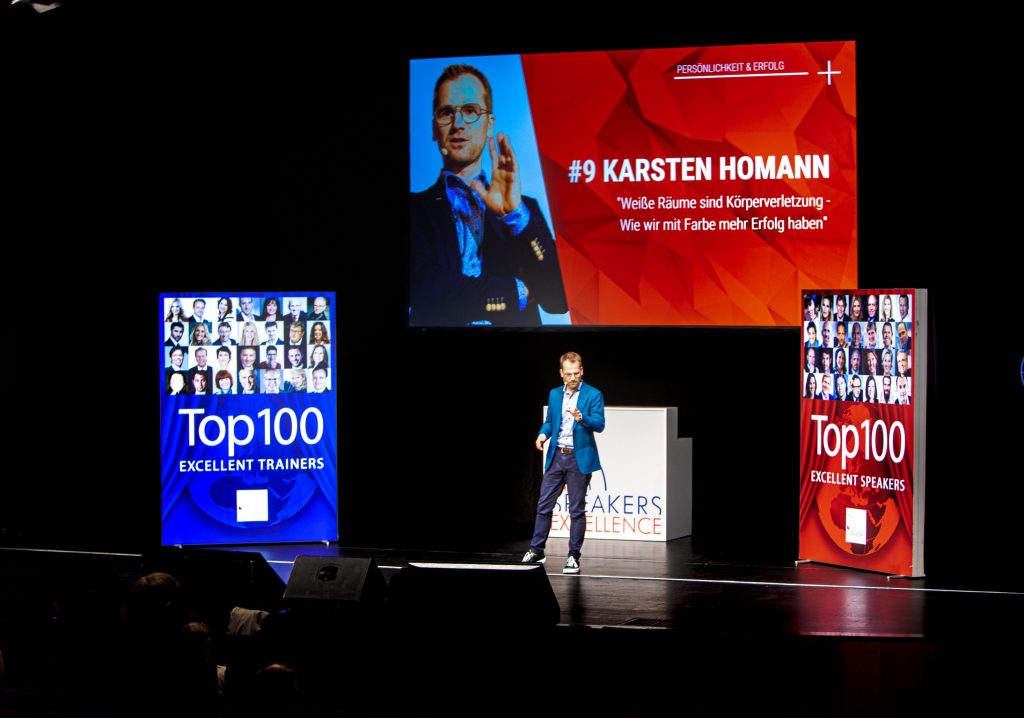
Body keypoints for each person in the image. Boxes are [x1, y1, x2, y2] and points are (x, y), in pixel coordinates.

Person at [411, 63, 567, 326]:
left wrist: (514, 215)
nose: (458, 123)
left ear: (489, 124)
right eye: (447, 113)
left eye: (471, 111)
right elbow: (427, 292)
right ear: (434, 128)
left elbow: (557, 298)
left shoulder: (524, 210)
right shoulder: (413, 209)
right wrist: (520, 292)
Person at [523, 352, 604, 574]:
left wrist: (582, 418)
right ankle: (536, 550)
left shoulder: (593, 394)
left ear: (582, 371)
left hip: (578, 457)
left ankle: (573, 556)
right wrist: (542, 434)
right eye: (568, 374)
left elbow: (599, 424)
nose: (572, 378)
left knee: (576, 509)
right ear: (561, 373)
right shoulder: (555, 395)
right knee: (543, 505)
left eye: (576, 373)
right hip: (557, 456)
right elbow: (550, 422)